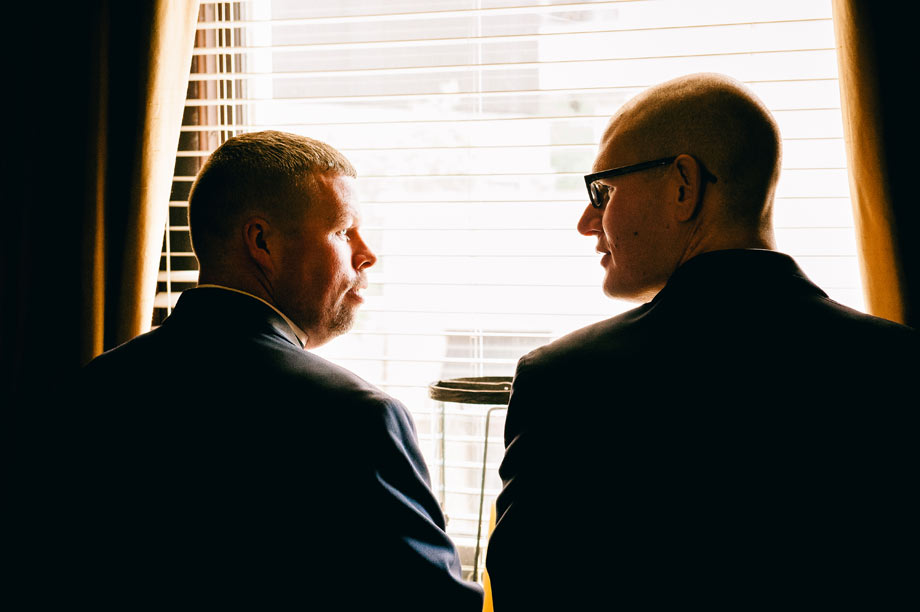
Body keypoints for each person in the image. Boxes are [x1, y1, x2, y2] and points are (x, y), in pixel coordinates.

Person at [485, 74, 918, 610]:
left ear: (684, 185)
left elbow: (529, 591)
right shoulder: (901, 364)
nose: (586, 221)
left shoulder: (566, 380)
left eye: (604, 191)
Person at [26, 131, 483, 609]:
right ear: (261, 241)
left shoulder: (93, 387)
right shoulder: (357, 417)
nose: (366, 253)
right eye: (344, 231)